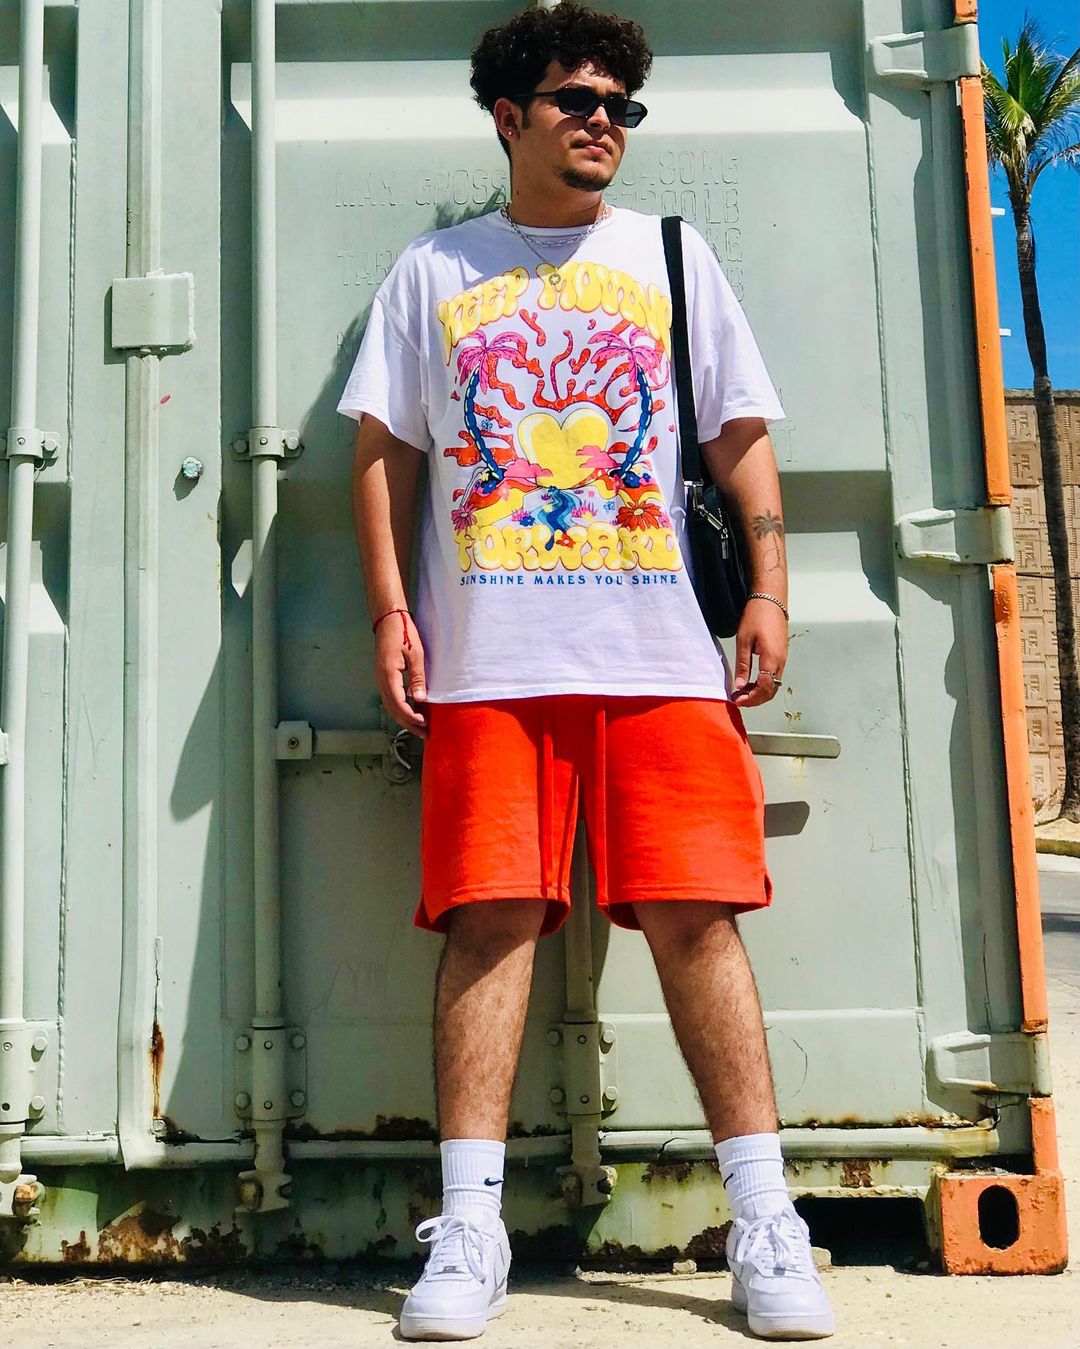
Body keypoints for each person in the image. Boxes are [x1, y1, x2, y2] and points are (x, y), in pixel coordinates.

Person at [338, 3, 834, 1340]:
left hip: (661, 654)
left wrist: (772, 590)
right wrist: (389, 611)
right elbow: (383, 452)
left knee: (697, 917)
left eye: (622, 105)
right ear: (510, 117)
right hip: (488, 661)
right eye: (578, 100)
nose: (604, 121)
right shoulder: (435, 270)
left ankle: (767, 1218)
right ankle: (471, 1227)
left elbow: (739, 435)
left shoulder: (672, 255)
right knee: (488, 921)